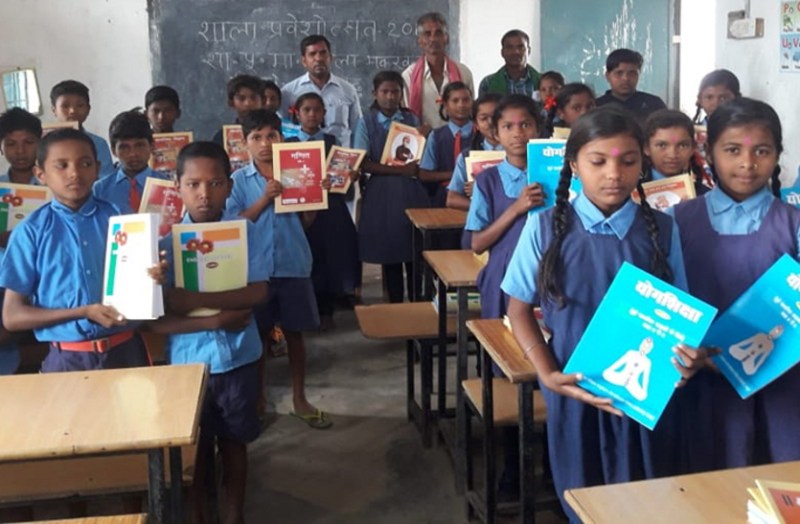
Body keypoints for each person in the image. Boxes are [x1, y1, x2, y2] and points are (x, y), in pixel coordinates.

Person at [501, 107, 698, 520]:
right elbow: (518, 308)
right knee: (582, 497)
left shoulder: (663, 230)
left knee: (646, 498)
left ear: (642, 164)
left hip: (647, 397)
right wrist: (547, 373)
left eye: (628, 162)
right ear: (574, 164)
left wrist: (686, 357)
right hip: (575, 388)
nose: (614, 174)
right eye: (598, 162)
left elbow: (680, 311)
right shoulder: (544, 228)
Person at [672, 97, 800, 471]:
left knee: (777, 479)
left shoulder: (793, 224)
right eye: (732, 150)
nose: (747, 163)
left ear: (777, 154)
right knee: (701, 486)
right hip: (696, 382)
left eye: (762, 150)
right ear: (708, 152)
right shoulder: (674, 221)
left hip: (780, 380)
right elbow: (662, 303)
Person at [153, 141, 269, 524]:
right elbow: (157, 315)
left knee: (235, 442)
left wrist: (191, 298)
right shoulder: (162, 246)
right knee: (196, 452)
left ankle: (234, 514)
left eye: (216, 183)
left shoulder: (245, 233)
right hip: (189, 363)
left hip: (239, 357)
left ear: (230, 185)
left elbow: (257, 291)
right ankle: (202, 516)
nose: (205, 194)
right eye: (194, 184)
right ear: (177, 185)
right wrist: (213, 315)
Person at [0, 128, 163, 372]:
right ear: (40, 174)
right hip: (66, 359)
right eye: (62, 165)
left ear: (97, 169)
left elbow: (147, 286)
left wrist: (156, 276)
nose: (75, 173)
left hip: (126, 351)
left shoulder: (122, 218)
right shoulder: (30, 232)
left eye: (85, 163)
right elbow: (12, 316)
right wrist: (83, 312)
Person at [226, 109, 331, 429]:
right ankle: (258, 398)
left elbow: (307, 222)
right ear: (244, 144)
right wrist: (265, 199)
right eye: (256, 137)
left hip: (292, 263)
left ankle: (300, 398)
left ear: (282, 138)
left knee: (295, 334)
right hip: (254, 270)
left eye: (271, 135)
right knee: (256, 336)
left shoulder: (298, 171)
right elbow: (233, 225)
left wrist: (315, 194)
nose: (264, 143)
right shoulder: (237, 181)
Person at [465, 95, 545, 504]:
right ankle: (512, 466)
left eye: (526, 124)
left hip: (550, 288)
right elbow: (476, 241)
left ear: (539, 129)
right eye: (509, 127)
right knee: (508, 376)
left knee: (550, 367)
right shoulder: (489, 182)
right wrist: (515, 209)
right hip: (503, 287)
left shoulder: (558, 174)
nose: (518, 133)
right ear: (494, 134)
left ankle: (549, 460)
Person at [285, 92, 360, 330]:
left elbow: (341, 174)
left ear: (324, 114)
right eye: (306, 110)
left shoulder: (331, 142)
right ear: (297, 113)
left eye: (317, 110)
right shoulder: (288, 145)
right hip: (298, 209)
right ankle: (305, 311)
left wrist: (347, 176)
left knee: (328, 257)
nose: (312, 114)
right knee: (305, 257)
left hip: (329, 209)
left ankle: (326, 309)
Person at [355, 71, 429, 303]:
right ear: (374, 94)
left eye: (395, 92)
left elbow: (418, 156)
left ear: (401, 94)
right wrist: (399, 171)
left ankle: (418, 303)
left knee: (413, 250)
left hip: (410, 192)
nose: (389, 97)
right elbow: (363, 162)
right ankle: (396, 304)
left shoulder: (411, 119)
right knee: (390, 252)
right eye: (384, 92)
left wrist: (423, 137)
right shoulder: (365, 121)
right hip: (382, 194)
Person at [0, 107, 43, 375]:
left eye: (28, 143)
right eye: (11, 144)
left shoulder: (55, 189)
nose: (20, 151)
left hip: (44, 283)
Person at [281, 35, 362, 149]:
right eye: (312, 54)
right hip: (300, 157)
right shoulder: (289, 92)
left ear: (330, 58)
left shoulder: (348, 90)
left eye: (323, 53)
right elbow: (283, 127)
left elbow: (357, 128)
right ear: (304, 61)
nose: (318, 58)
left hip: (339, 159)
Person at [402, 12, 474, 130]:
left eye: (438, 33)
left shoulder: (463, 73)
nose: (433, 39)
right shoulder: (408, 76)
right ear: (419, 41)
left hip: (457, 141)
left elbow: (470, 112)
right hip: (422, 143)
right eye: (427, 34)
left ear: (447, 39)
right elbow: (405, 117)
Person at [93, 108, 170, 214]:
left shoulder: (168, 187)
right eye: (124, 147)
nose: (133, 154)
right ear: (113, 151)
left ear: (152, 146)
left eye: (139, 145)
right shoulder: (99, 190)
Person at [419, 81, 474, 207]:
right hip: (443, 197)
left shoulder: (481, 134)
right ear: (445, 105)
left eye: (466, 100)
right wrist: (457, 175)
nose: (461, 105)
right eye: (455, 101)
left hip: (476, 195)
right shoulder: (436, 136)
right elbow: (424, 174)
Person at [446, 93, 503, 212]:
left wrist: (482, 189)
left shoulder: (522, 153)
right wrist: (484, 206)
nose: (491, 122)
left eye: (496, 116)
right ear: (476, 125)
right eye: (483, 118)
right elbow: (452, 199)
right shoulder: (467, 156)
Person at [50, 80, 115, 178]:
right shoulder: (43, 143)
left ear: (88, 109)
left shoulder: (98, 144)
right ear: (54, 110)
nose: (72, 111)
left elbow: (106, 180)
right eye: (65, 106)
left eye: (80, 105)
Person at [642, 109, 710, 196]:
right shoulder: (630, 193)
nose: (672, 154)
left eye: (682, 145)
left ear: (693, 148)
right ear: (646, 148)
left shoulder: (704, 197)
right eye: (662, 145)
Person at [596, 49, 666, 122]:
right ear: (607, 76)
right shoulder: (597, 106)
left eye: (632, 73)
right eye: (619, 73)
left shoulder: (654, 104)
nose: (625, 79)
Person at [478, 29, 540, 98]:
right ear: (502, 52)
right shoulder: (488, 83)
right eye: (510, 48)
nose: (516, 52)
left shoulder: (543, 82)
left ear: (529, 51)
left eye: (521, 47)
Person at [212, 74, 265, 145]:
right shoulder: (222, 138)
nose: (248, 103)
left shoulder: (276, 131)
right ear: (231, 103)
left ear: (263, 101)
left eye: (253, 98)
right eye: (241, 98)